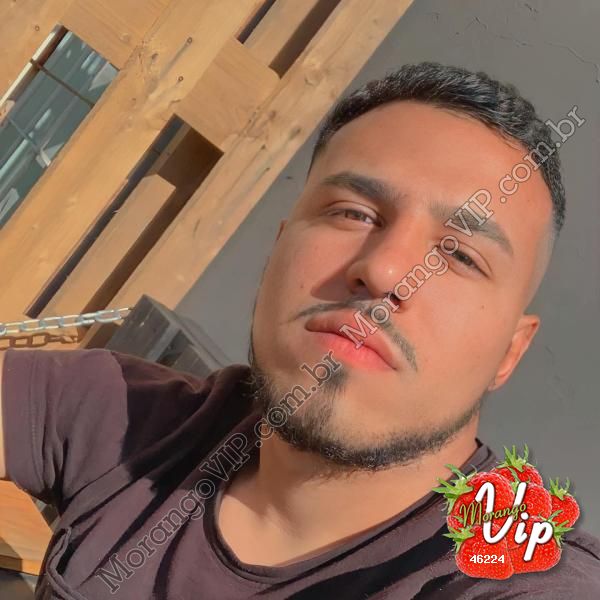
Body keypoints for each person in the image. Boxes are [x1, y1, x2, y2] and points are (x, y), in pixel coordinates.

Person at [1, 62, 599, 599]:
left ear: (510, 352)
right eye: (354, 213)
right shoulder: (125, 418)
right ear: (278, 248)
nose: (386, 271)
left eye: (461, 255)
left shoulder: (518, 573)